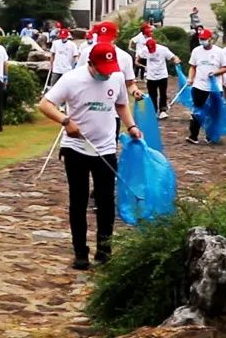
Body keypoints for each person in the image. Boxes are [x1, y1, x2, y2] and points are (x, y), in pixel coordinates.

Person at [38, 44, 143, 270]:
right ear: (91, 64)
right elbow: (45, 104)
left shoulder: (116, 77)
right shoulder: (71, 79)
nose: (106, 73)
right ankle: (80, 253)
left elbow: (121, 105)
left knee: (106, 201)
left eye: (109, 68)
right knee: (79, 200)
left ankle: (104, 251)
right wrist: (65, 121)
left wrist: (131, 126)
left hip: (105, 148)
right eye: (102, 69)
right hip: (76, 148)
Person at [186, 28, 226, 145]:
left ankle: (211, 135)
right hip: (199, 86)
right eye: (201, 39)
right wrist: (190, 78)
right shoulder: (196, 51)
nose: (202, 41)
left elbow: (225, 68)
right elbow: (193, 67)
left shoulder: (219, 52)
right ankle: (193, 136)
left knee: (213, 112)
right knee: (197, 111)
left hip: (215, 88)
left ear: (210, 39)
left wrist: (215, 73)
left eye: (204, 39)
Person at [139, 38, 180, 119]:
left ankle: (162, 111)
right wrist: (140, 64)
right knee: (152, 94)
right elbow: (139, 58)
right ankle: (153, 111)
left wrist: (176, 60)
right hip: (150, 76)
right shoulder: (144, 50)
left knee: (163, 93)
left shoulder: (163, 49)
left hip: (162, 75)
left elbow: (173, 57)